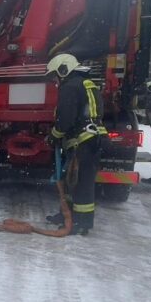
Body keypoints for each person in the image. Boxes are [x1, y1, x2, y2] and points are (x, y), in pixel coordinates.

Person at [46, 53, 107, 236]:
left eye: (55, 76)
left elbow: (66, 119)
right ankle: (67, 215)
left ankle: (81, 223)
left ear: (63, 70)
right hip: (91, 139)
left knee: (81, 183)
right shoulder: (86, 83)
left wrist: (54, 135)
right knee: (72, 180)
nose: (55, 81)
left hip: (84, 141)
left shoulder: (70, 87)